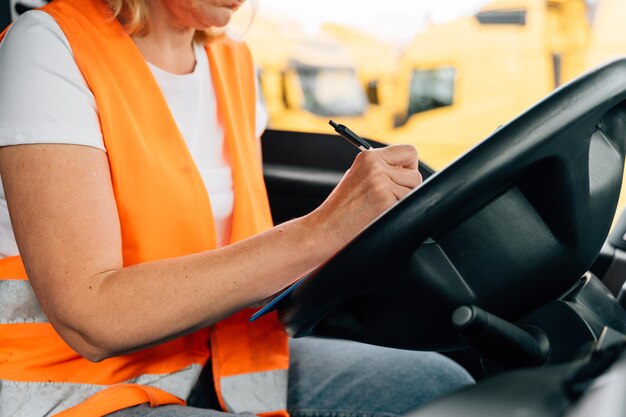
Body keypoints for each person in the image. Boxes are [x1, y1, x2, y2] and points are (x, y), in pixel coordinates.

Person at [0, 0, 474, 416]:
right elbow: (90, 317)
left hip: (218, 355)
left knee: (441, 387)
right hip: (67, 390)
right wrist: (320, 231)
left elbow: (227, 250)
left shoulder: (233, 61)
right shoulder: (47, 49)